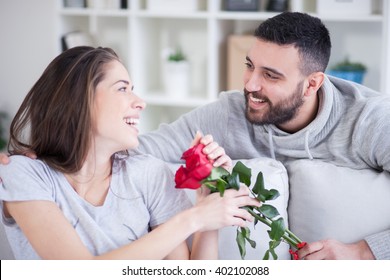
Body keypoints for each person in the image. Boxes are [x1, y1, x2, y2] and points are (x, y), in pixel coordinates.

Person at [130, 12, 390, 260]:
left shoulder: (371, 120)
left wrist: (363, 252)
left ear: (312, 84)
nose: (250, 85)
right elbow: (132, 152)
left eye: (270, 75)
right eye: (249, 66)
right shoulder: (228, 114)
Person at [0, 46, 259, 260]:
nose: (140, 102)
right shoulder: (25, 174)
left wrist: (208, 201)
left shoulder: (147, 173)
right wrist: (194, 219)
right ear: (79, 100)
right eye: (123, 88)